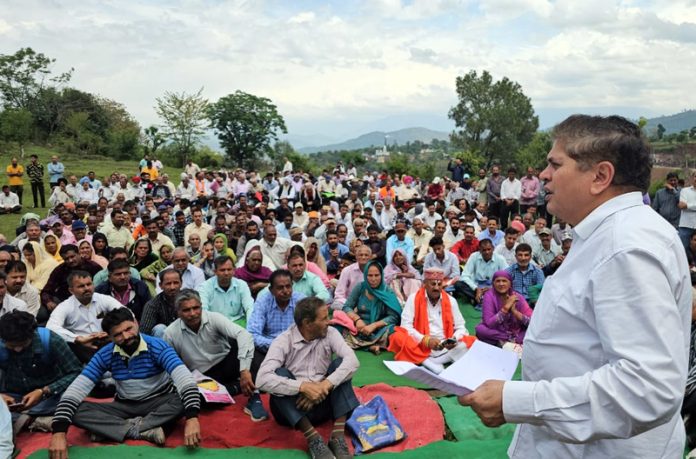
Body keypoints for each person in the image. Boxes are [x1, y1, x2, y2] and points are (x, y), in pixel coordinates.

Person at [459, 115, 691, 458]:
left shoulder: (626, 247)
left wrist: (518, 400)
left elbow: (645, 388)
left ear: (600, 177)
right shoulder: (608, 235)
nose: (542, 175)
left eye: (555, 164)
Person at [48, 308, 202, 455]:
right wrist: (59, 432)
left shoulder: (157, 346)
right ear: (110, 337)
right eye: (118, 334)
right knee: (75, 409)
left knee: (184, 399)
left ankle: (112, 430)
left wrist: (192, 418)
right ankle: (144, 429)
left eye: (128, 329)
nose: (126, 336)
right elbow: (76, 389)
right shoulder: (105, 354)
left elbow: (185, 380)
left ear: (136, 323)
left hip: (159, 401)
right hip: (124, 405)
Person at [257, 296, 359, 459]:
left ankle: (337, 436)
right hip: (293, 407)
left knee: (341, 364)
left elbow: (353, 361)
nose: (329, 321)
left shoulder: (331, 333)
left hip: (323, 402)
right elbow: (261, 379)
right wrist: (303, 388)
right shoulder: (284, 340)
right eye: (324, 318)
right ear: (307, 323)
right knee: (278, 375)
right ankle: (314, 439)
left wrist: (324, 385)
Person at [164, 289, 269, 422]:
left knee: (248, 349)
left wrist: (244, 370)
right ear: (178, 312)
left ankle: (253, 397)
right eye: (186, 310)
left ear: (201, 306)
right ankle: (238, 387)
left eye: (196, 308)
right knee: (196, 398)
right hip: (203, 377)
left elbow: (244, 335)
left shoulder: (213, 318)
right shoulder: (170, 333)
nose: (193, 314)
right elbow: (170, 365)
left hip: (227, 363)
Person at [0, 311, 82, 433]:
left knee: (72, 399)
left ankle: (23, 418)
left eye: (22, 345)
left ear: (32, 334)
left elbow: (76, 372)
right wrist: (1, 397)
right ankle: (35, 420)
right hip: (13, 397)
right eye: (12, 346)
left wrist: (44, 391)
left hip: (50, 396)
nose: (17, 349)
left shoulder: (51, 340)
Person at [387, 268, 470, 374]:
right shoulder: (413, 299)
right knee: (398, 337)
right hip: (420, 345)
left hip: (445, 346)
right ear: (425, 284)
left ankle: (435, 360)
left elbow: (461, 326)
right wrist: (425, 340)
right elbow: (405, 326)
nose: (436, 288)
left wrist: (453, 339)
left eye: (439, 284)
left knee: (470, 341)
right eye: (433, 284)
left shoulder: (451, 301)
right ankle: (427, 362)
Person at [46, 270, 124, 363]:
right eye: (81, 286)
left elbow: (126, 314)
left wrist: (111, 332)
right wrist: (78, 339)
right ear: (71, 290)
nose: (87, 288)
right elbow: (50, 327)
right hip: (80, 348)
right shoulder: (65, 306)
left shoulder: (104, 299)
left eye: (89, 284)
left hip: (107, 342)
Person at [247, 270, 305, 370]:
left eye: (288, 286)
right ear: (271, 290)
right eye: (280, 288)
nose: (286, 291)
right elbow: (253, 333)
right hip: (269, 349)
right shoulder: (263, 302)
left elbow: (310, 329)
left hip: (296, 348)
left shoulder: (301, 301)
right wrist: (277, 345)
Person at [340, 261, 401, 355]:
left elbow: (393, 317)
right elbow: (347, 307)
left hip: (379, 330)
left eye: (377, 275)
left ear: (381, 275)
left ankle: (369, 345)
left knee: (395, 333)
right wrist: (357, 320)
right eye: (370, 275)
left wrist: (374, 325)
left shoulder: (387, 291)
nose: (373, 279)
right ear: (365, 276)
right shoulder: (360, 287)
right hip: (359, 328)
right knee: (337, 326)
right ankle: (371, 346)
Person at [474, 270, 532, 349]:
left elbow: (531, 322)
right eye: (498, 281)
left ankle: (505, 342)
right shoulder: (489, 296)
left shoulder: (518, 297)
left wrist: (515, 312)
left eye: (504, 281)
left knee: (531, 331)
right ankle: (511, 341)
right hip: (497, 331)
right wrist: (506, 308)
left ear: (510, 283)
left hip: (517, 331)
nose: (501, 284)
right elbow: (490, 323)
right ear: (493, 283)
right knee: (480, 330)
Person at [41, 244, 102, 312]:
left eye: (72, 256)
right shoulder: (59, 270)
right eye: (66, 259)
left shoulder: (93, 266)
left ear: (79, 254)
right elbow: (46, 291)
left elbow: (103, 285)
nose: (70, 260)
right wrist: (48, 302)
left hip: (90, 299)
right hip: (65, 301)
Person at [197, 255, 254, 325]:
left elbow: (249, 307)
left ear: (234, 270)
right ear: (215, 272)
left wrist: (251, 328)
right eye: (222, 270)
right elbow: (203, 311)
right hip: (215, 325)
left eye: (229, 269)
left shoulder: (242, 285)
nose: (226, 273)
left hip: (237, 323)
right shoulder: (205, 287)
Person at [454, 238, 508, 305]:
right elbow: (464, 275)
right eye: (484, 250)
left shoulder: (500, 259)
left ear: (493, 249)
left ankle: (478, 299)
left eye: (489, 249)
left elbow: (507, 277)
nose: (487, 252)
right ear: (479, 250)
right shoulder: (474, 256)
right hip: (476, 285)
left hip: (493, 287)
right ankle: (480, 298)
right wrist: (476, 288)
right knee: (458, 284)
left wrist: (493, 288)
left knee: (505, 287)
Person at [140, 269, 182, 337]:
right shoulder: (153, 304)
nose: (172, 287)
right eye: (168, 284)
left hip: (185, 339)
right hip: (162, 343)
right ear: (160, 285)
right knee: (160, 329)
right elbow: (144, 333)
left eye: (176, 283)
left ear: (181, 283)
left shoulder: (188, 300)